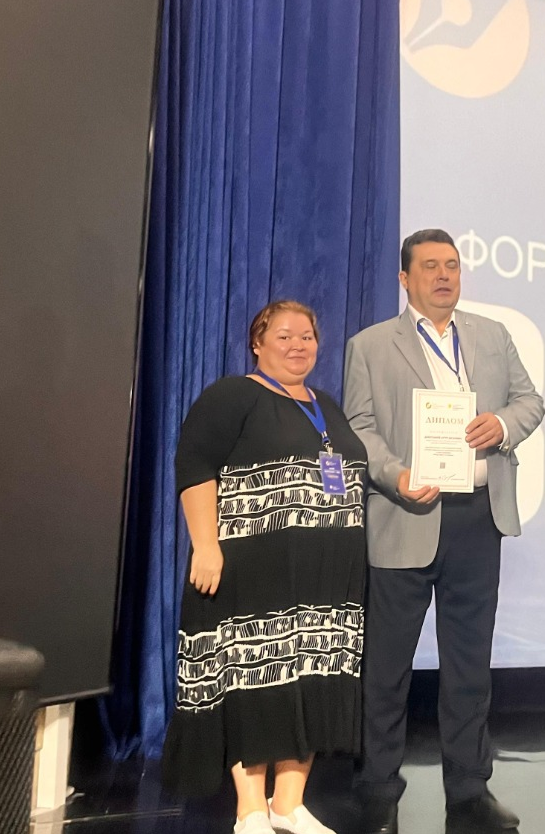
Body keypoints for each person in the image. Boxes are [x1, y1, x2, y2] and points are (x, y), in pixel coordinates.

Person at [343, 229, 545, 834]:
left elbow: (530, 402)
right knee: (387, 669)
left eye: (452, 266)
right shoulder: (370, 345)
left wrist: (501, 425)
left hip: (478, 517)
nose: (443, 276)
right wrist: (396, 475)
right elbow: (359, 429)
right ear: (404, 278)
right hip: (404, 514)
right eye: (430, 266)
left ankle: (469, 791)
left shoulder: (492, 334)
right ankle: (379, 792)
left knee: (469, 667)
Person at [160, 300, 368, 834]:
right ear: (257, 343)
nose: (298, 345)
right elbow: (194, 464)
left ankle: (288, 805)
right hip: (253, 574)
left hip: (324, 581)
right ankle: (250, 810)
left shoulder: (326, 404)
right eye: (284, 336)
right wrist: (205, 545)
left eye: (307, 336)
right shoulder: (233, 395)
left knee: (313, 677)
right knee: (253, 678)